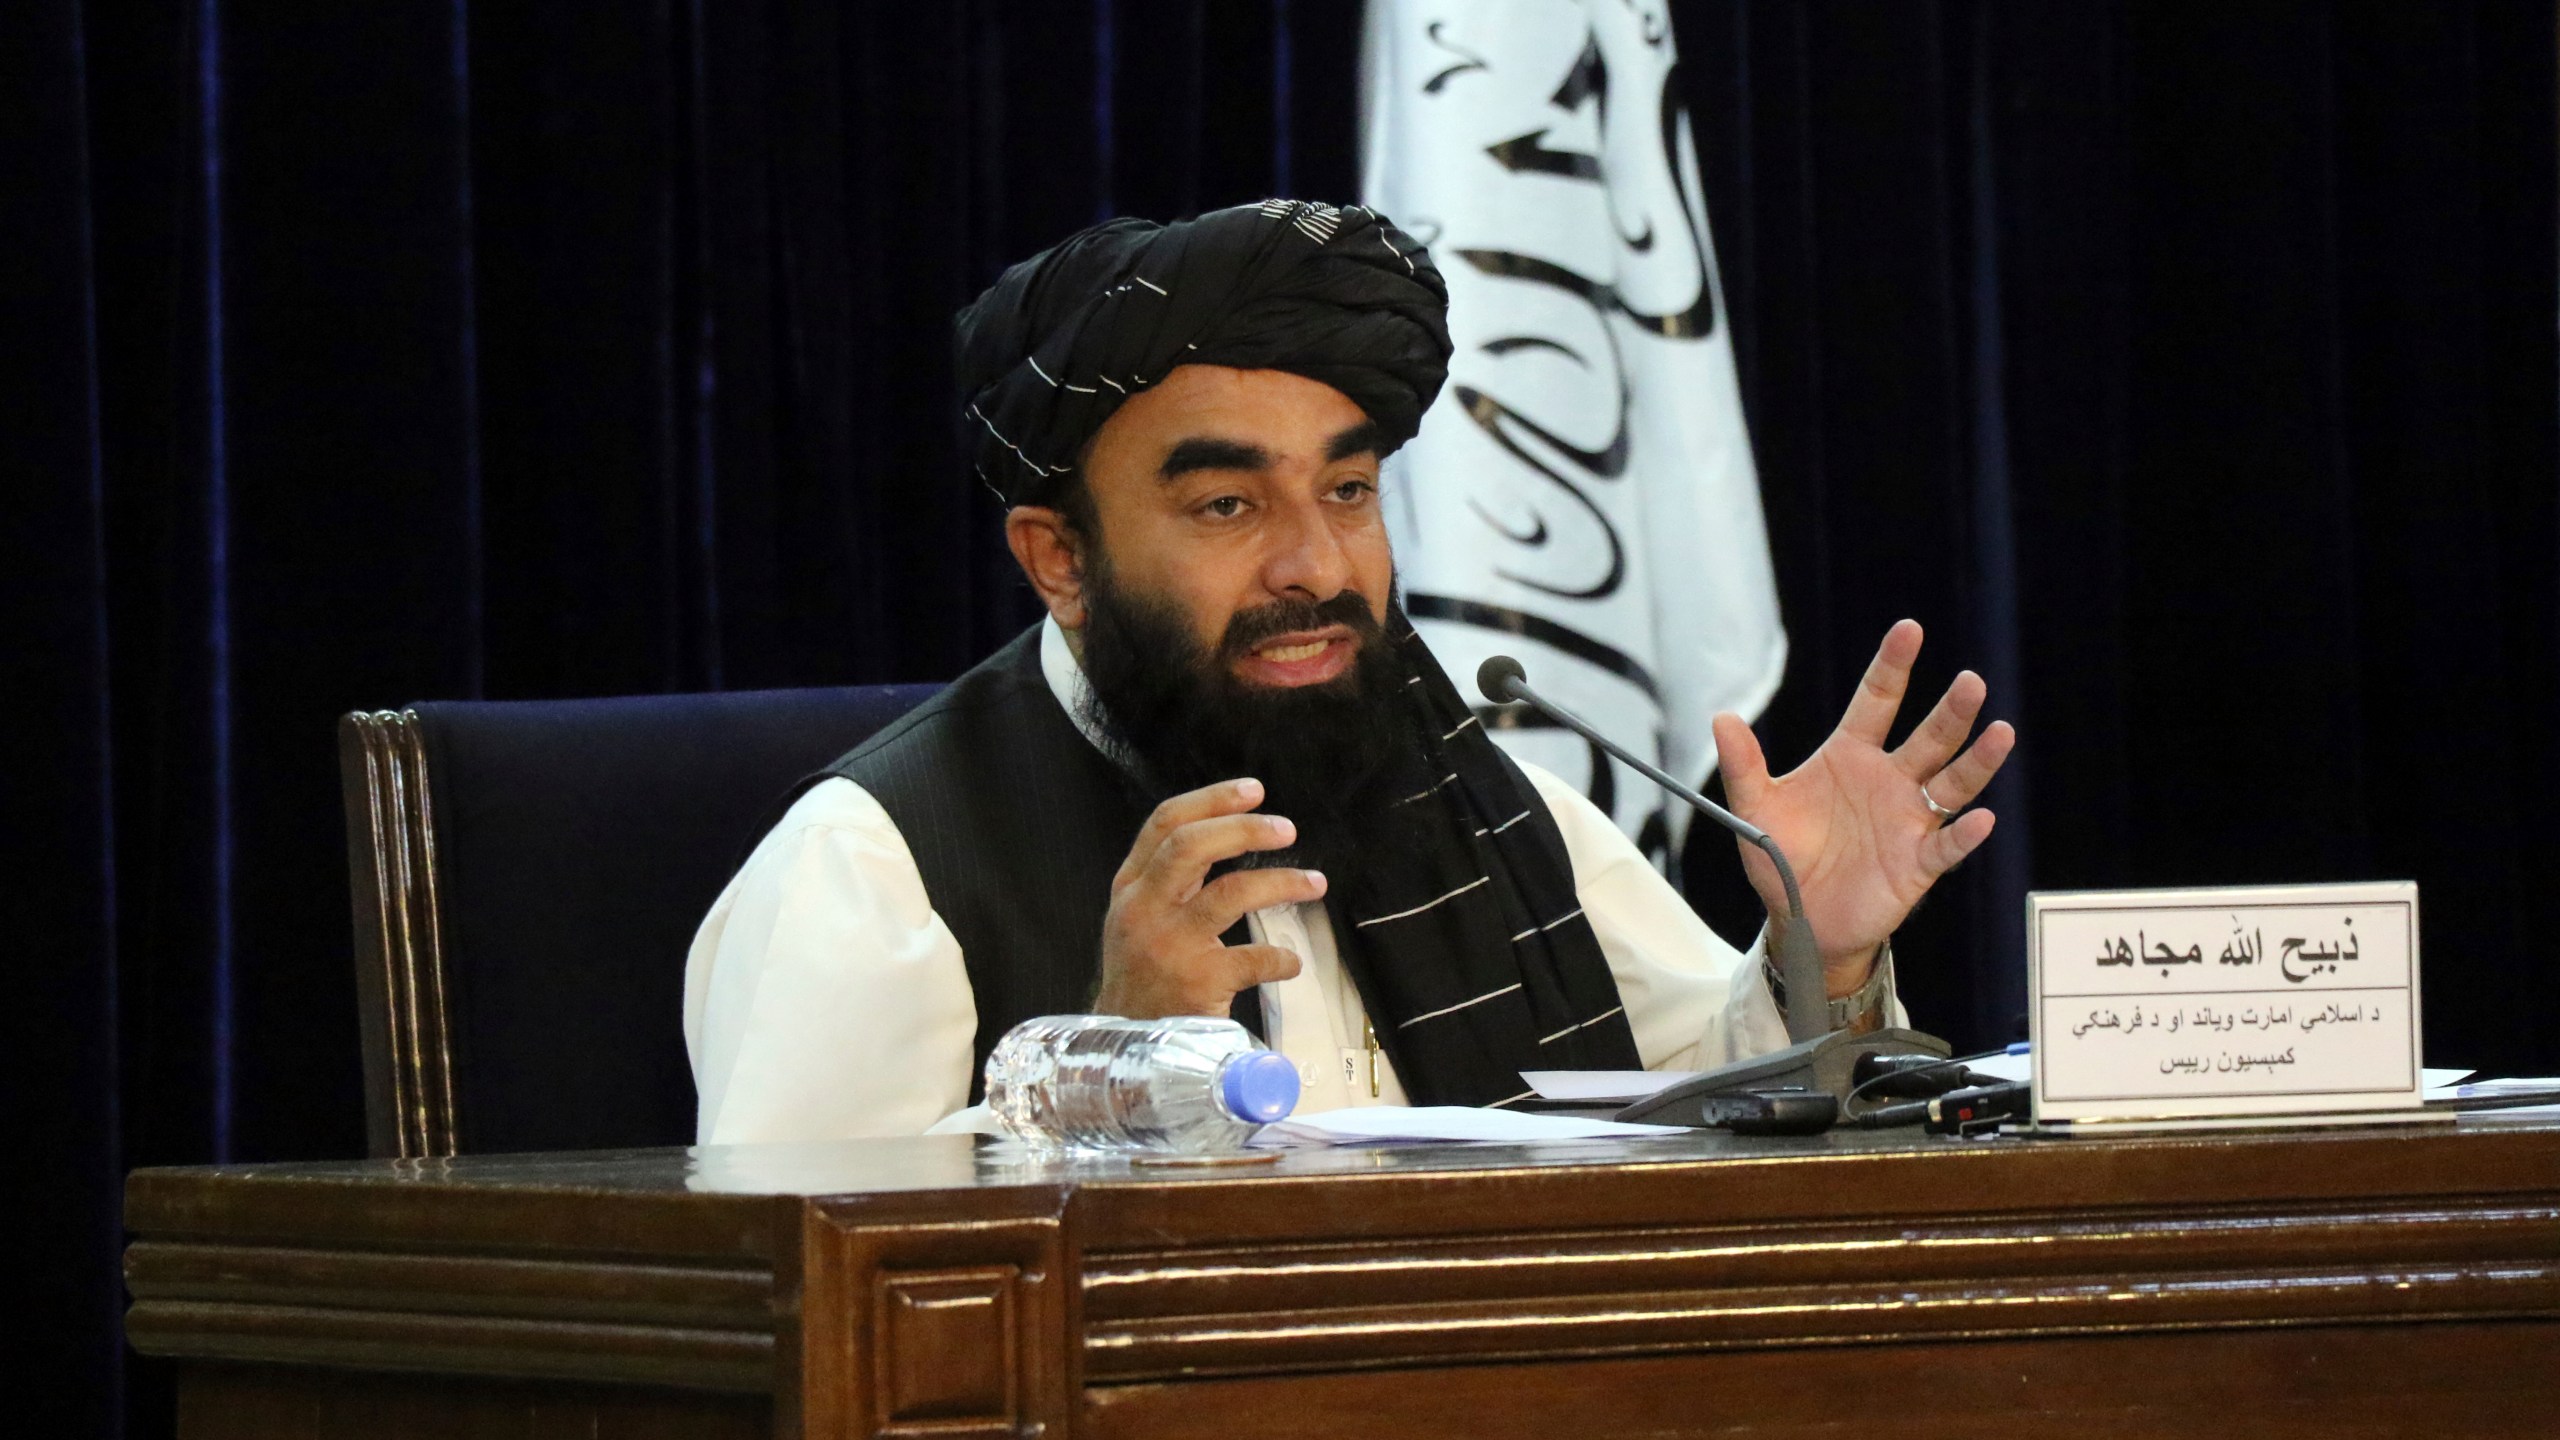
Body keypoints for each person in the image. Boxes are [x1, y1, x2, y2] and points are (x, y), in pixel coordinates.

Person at [682, 199, 2014, 1143]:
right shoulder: (873, 867)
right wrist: (1107, 1061)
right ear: (1058, 558)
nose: (1315, 565)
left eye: (1351, 488)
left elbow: (1696, 1100)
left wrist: (1815, 949)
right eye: (1227, 508)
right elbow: (804, 1289)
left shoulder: (1475, 789)